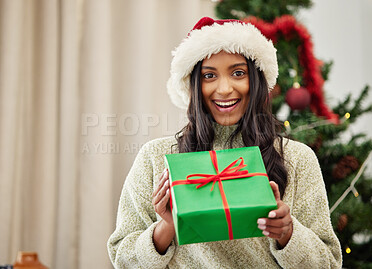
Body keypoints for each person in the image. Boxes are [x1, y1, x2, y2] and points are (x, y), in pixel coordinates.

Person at [107, 17, 342, 268]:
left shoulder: (296, 158)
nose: (225, 88)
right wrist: (167, 227)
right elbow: (123, 258)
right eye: (209, 75)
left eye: (238, 73)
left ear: (258, 79)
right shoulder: (156, 157)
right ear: (194, 85)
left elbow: (328, 263)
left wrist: (287, 233)